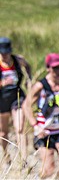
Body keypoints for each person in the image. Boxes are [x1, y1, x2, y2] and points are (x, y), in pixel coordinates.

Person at [0, 37, 33, 166]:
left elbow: (28, 66)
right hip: (2, 100)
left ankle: (23, 159)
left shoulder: (17, 60)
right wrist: (2, 83)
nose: (5, 55)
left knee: (20, 128)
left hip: (17, 97)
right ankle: (6, 155)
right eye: (2, 53)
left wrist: (29, 79)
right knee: (3, 132)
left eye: (7, 52)